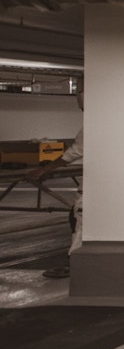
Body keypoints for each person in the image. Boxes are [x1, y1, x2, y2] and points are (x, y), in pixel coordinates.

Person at [26, 92, 83, 278]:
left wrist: (45, 169)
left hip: (95, 187)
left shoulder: (94, 125)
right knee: (76, 220)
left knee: (79, 222)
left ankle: (75, 263)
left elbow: (73, 153)